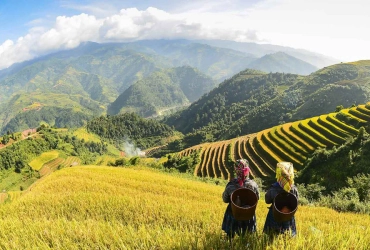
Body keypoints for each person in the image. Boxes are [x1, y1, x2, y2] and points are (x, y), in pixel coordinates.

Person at [222, 159, 260, 239]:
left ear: (236, 170)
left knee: (230, 237)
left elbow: (225, 200)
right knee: (246, 237)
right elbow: (258, 198)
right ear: (247, 170)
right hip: (248, 214)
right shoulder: (253, 185)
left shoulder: (231, 185)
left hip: (233, 214)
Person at [263, 162, 299, 237]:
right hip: (288, 216)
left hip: (274, 215)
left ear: (279, 174)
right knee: (288, 236)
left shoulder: (273, 189)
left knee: (272, 236)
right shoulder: (293, 189)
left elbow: (267, 200)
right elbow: (296, 202)